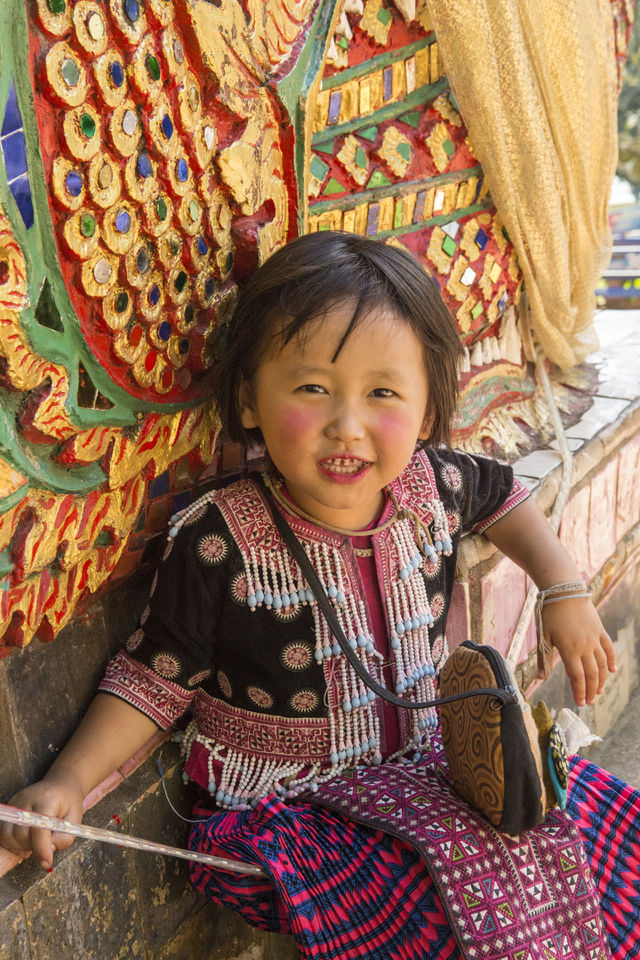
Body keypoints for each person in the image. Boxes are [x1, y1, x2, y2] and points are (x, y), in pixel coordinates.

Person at [2, 232, 638, 959]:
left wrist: (564, 589)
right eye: (312, 388)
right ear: (248, 400)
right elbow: (153, 681)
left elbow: (502, 495)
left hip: (421, 776)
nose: (347, 424)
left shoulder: (432, 485)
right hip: (289, 816)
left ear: (428, 412)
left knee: (597, 825)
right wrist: (64, 784)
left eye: (383, 393)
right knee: (459, 906)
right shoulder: (220, 540)